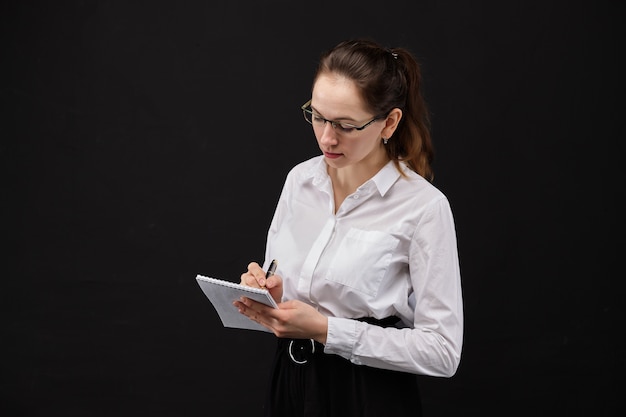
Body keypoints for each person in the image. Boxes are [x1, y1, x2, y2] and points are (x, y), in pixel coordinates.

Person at [235, 38, 463, 417]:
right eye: (318, 116)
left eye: (346, 125)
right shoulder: (299, 180)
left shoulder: (424, 207)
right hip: (290, 381)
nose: (327, 137)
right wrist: (270, 294)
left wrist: (327, 331)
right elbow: (293, 288)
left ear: (389, 122)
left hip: (366, 393)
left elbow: (442, 352)